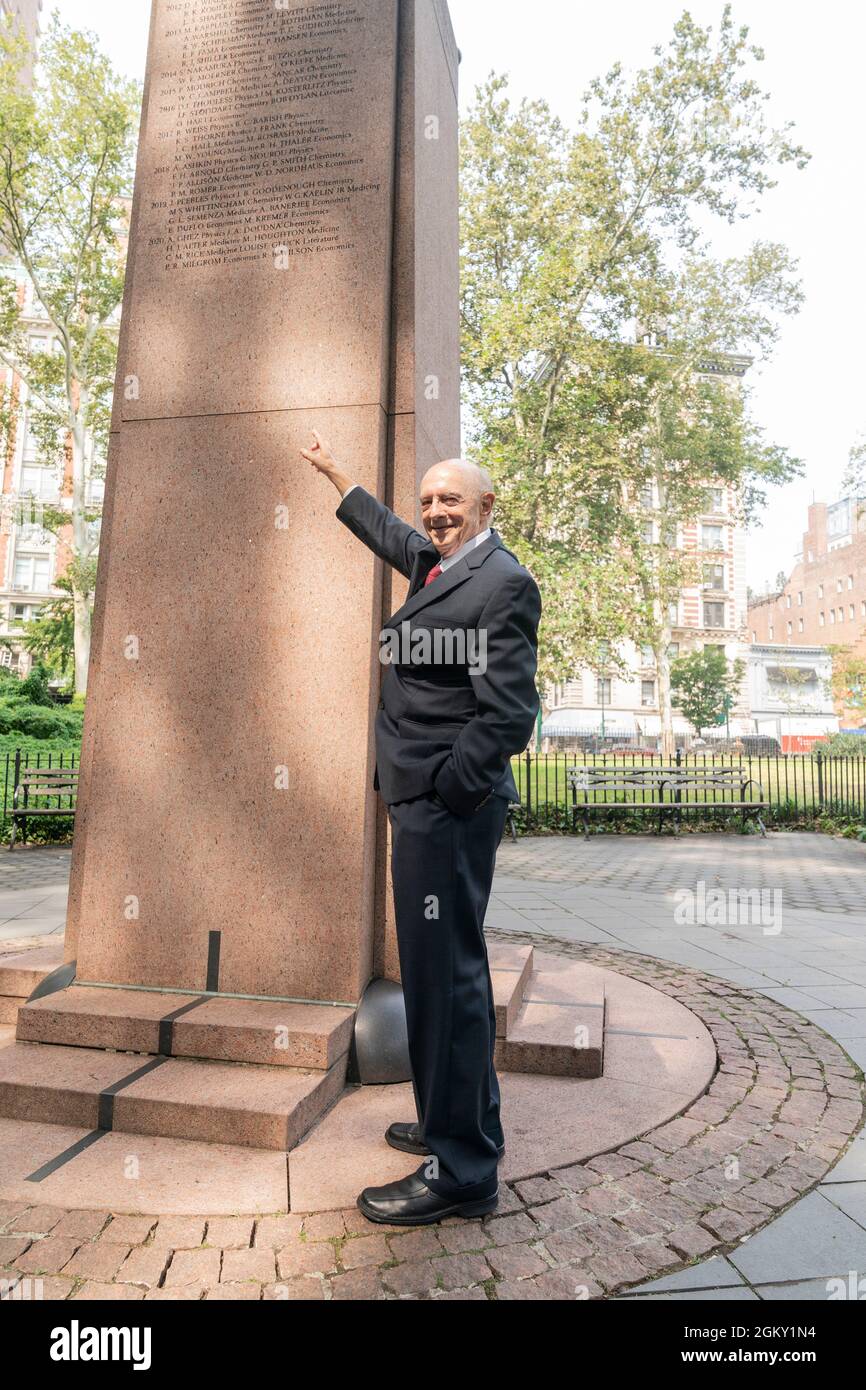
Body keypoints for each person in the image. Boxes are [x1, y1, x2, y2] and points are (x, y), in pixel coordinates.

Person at [301, 431, 542, 1226]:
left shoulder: (502, 583)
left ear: (486, 507)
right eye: (430, 499)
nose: (436, 512)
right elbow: (396, 535)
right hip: (430, 807)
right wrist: (340, 474)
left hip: (447, 811)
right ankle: (463, 1121)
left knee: (447, 982)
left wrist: (444, 792)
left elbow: (509, 715)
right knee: (446, 975)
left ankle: (464, 1171)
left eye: (453, 500)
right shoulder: (441, 564)